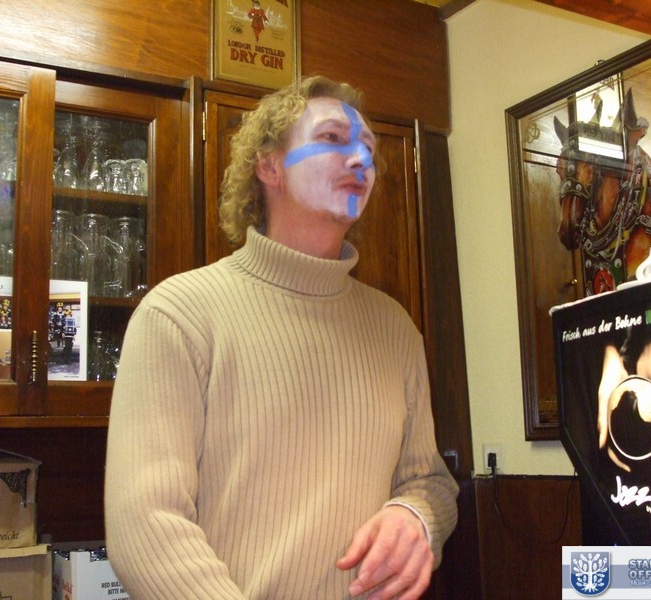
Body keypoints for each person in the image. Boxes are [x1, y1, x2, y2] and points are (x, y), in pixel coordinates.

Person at [105, 76, 459, 599]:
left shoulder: (395, 328)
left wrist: (415, 516)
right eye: (333, 138)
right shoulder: (177, 315)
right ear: (269, 165)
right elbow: (146, 528)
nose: (360, 159)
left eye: (369, 148)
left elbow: (429, 482)